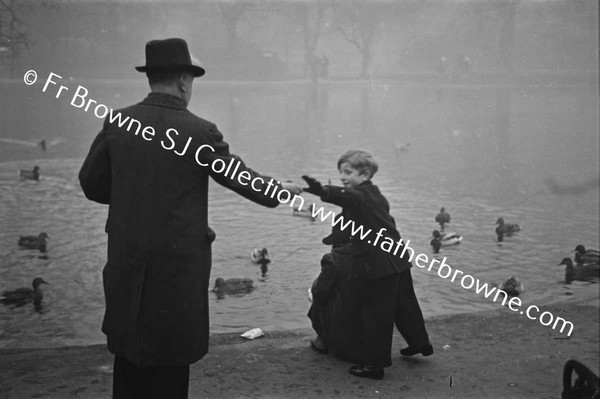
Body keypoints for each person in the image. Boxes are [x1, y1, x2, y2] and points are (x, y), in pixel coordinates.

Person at [79, 38, 301, 399]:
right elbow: (238, 178)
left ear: (151, 78)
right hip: (176, 267)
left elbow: (91, 184)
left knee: (129, 350)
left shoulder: (118, 121)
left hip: (128, 259)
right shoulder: (200, 132)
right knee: (170, 359)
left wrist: (132, 196)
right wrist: (280, 189)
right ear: (184, 80)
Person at [302, 149, 431, 380]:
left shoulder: (358, 196)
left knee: (376, 316)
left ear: (366, 173)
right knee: (405, 305)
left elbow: (348, 198)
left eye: (348, 172)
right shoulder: (375, 195)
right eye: (340, 171)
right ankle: (420, 343)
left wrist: (322, 191)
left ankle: (374, 366)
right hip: (397, 258)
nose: (342, 176)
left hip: (378, 266)